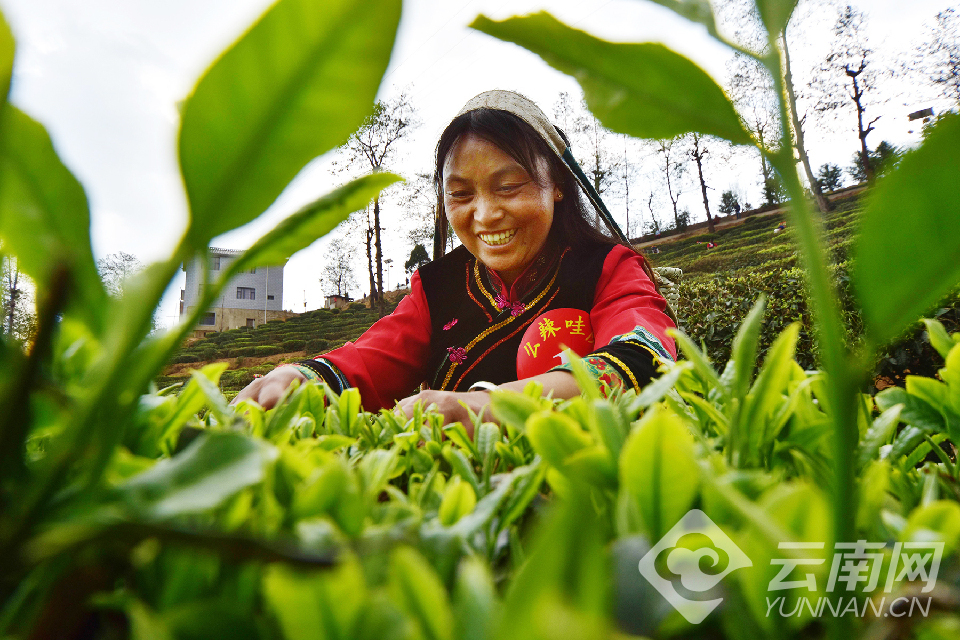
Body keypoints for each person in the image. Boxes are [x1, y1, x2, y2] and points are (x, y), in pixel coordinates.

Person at [233, 91, 677, 429]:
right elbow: (368, 360)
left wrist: (488, 406)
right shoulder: (437, 286)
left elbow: (645, 357)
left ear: (556, 185)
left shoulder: (608, 267)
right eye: (461, 195)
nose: (484, 215)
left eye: (508, 187)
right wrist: (297, 377)